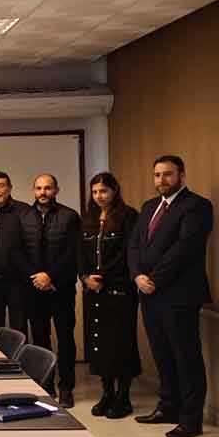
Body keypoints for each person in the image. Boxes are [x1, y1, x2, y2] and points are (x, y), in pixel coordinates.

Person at [128, 155, 214, 437]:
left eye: (167, 174)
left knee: (186, 357)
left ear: (181, 176)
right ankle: (168, 407)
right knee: (162, 355)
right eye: (157, 174)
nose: (161, 180)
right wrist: (137, 275)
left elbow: (185, 249)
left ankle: (191, 420)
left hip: (179, 294)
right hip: (148, 293)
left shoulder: (197, 206)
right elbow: (134, 244)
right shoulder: (149, 206)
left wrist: (154, 279)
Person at [79, 173, 141, 419]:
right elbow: (79, 253)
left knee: (120, 343)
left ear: (115, 190)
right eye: (95, 192)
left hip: (119, 289)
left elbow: (128, 251)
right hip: (93, 290)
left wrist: (102, 276)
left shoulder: (128, 215)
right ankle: (107, 393)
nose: (99, 196)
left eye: (103, 191)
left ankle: (123, 396)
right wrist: (85, 276)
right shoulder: (88, 218)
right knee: (99, 343)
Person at [20, 174, 80, 407]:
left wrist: (50, 276)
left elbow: (72, 252)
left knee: (65, 338)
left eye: (47, 188)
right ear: (33, 190)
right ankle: (45, 385)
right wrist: (36, 277)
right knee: (40, 338)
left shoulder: (69, 216)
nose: (43, 192)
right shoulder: (23, 216)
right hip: (33, 288)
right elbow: (17, 251)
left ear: (56, 190)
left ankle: (66, 388)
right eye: (39, 188)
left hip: (61, 287)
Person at [0, 171, 32, 339]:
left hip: (18, 282)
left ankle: (21, 358)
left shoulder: (24, 211)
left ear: (10, 188)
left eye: (1, 186)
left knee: (20, 328)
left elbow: (32, 245)